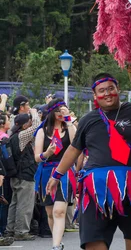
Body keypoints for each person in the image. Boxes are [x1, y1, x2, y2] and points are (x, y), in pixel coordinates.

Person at [46, 73, 131, 250]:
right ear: (94, 95)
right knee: (93, 243)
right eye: (101, 90)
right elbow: (74, 149)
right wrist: (57, 175)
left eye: (110, 89)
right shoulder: (88, 119)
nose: (107, 93)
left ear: (118, 89)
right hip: (95, 189)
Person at [34, 98, 76, 250]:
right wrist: (47, 153)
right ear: (51, 112)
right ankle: (57, 241)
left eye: (63, 109)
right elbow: (37, 157)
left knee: (59, 211)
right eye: (58, 110)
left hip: (64, 172)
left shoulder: (69, 127)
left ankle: (56, 246)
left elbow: (76, 144)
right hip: (46, 172)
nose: (60, 113)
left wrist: (69, 120)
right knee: (50, 213)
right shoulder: (41, 131)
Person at [6, 101, 41, 241]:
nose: (31, 123)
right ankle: (21, 231)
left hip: (15, 174)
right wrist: (32, 112)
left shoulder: (13, 135)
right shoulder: (22, 135)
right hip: (25, 175)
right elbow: (38, 126)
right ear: (24, 125)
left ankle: (11, 229)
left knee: (14, 204)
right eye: (29, 122)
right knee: (25, 204)